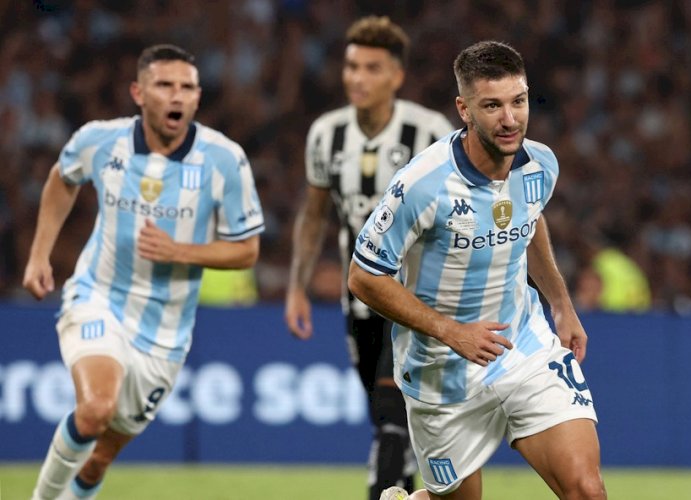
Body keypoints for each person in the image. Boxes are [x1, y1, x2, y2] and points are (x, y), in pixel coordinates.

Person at [349, 40, 607, 500]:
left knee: (586, 490)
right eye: (492, 105)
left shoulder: (540, 164)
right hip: (440, 371)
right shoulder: (422, 184)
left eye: (518, 101)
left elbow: (529, 220)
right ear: (464, 109)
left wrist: (561, 305)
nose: (510, 119)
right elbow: (363, 276)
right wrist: (451, 332)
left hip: (524, 347)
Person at [22, 44, 265, 499]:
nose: (177, 96)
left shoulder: (224, 159)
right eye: (164, 85)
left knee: (98, 459)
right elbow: (62, 178)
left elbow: (247, 251)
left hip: (165, 332)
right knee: (95, 409)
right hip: (99, 297)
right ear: (138, 93)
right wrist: (40, 255)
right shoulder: (100, 140)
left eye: (187, 87)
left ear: (198, 97)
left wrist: (179, 251)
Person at [284, 16, 454, 500]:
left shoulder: (430, 132)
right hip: (359, 298)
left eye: (371, 68)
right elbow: (315, 215)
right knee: (387, 419)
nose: (357, 78)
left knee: (391, 410)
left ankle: (383, 490)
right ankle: (405, 486)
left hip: (419, 298)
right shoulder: (326, 135)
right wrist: (297, 287)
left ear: (396, 75)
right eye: (352, 66)